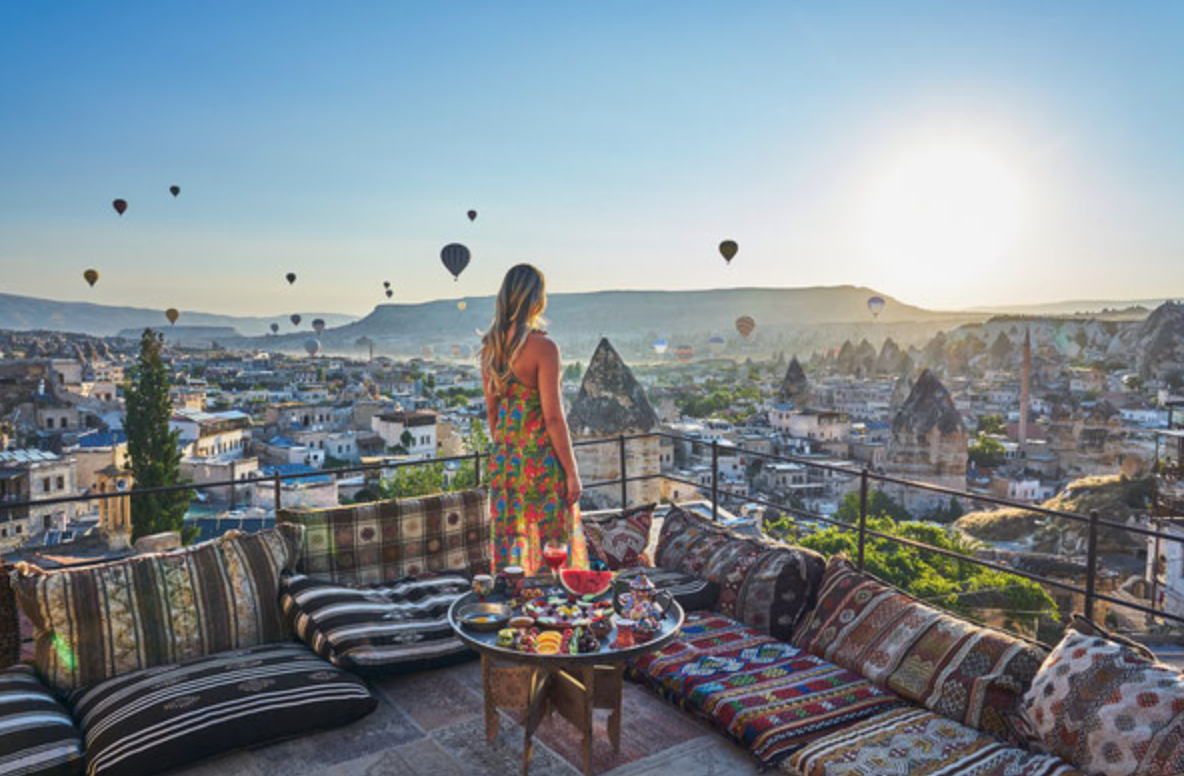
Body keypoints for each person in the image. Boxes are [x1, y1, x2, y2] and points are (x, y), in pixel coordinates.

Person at [480, 264, 586, 575]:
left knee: (510, 535)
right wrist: (572, 472)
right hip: (541, 458)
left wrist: (505, 449)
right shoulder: (544, 347)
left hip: (505, 458)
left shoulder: (490, 347)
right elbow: (553, 417)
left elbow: (492, 412)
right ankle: (550, 610)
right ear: (537, 299)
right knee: (551, 542)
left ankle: (514, 605)